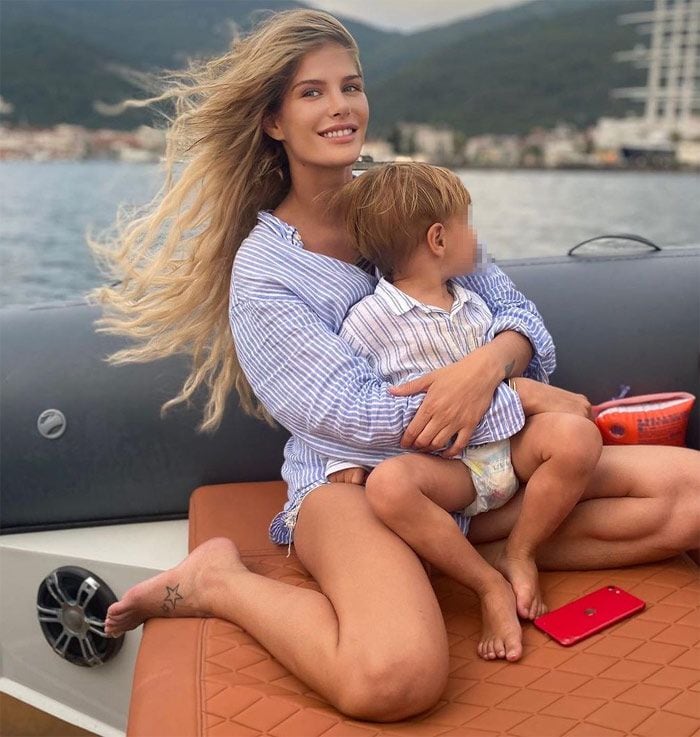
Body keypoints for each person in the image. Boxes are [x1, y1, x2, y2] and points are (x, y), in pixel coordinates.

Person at [95, 9, 700, 723]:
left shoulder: (409, 202)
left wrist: (490, 365)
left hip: (475, 465)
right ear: (273, 121)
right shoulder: (266, 274)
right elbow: (353, 416)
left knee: (691, 495)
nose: (341, 106)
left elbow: (520, 319)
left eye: (350, 86)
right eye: (313, 92)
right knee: (393, 678)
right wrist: (524, 399)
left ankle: (466, 553)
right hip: (351, 482)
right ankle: (220, 581)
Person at [322, 162, 602, 661]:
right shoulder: (367, 322)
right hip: (453, 473)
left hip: (507, 451)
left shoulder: (473, 303)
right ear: (438, 239)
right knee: (389, 485)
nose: (476, 238)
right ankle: (485, 585)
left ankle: (520, 553)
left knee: (578, 437)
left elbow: (511, 360)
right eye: (467, 226)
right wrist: (342, 461)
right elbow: (354, 399)